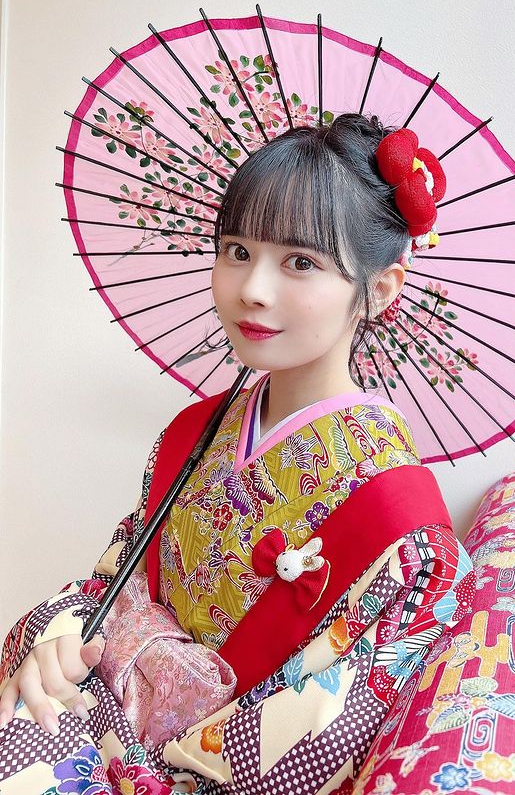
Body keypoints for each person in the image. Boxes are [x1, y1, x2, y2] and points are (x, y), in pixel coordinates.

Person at [0, 113, 477, 794]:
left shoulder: (403, 531)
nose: (252, 288)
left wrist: (124, 763)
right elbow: (115, 578)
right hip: (95, 718)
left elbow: (312, 741)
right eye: (237, 249)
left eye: (301, 262)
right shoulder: (198, 432)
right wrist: (61, 636)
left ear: (379, 289)